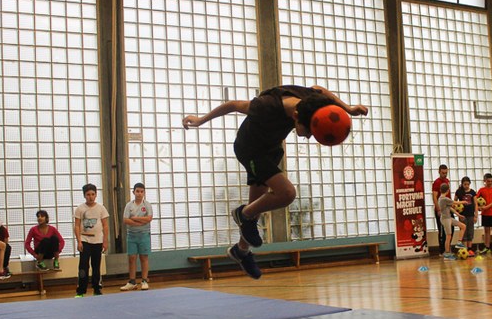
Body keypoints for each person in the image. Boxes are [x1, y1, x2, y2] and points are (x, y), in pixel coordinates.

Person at [183, 85, 367, 279]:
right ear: (296, 115)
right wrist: (200, 120)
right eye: (309, 131)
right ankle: (242, 213)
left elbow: (320, 89)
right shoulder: (266, 106)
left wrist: (348, 109)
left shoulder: (311, 100)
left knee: (256, 208)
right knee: (287, 193)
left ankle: (241, 251)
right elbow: (233, 105)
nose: (308, 136)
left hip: (271, 149)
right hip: (251, 149)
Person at [74, 183, 110, 297]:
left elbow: (105, 225)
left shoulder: (101, 208)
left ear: (96, 194)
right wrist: (79, 241)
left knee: (96, 265)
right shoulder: (80, 209)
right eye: (88, 194)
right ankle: (81, 290)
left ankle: (97, 288)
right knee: (83, 266)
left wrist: (105, 241)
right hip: (84, 240)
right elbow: (77, 226)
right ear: (84, 195)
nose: (91, 197)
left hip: (98, 241)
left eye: (93, 194)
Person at [121, 182, 153, 291]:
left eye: (141, 191)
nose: (139, 193)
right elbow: (126, 220)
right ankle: (132, 281)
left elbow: (149, 218)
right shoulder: (129, 205)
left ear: (144, 193)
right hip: (131, 235)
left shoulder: (147, 205)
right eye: (137, 191)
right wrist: (139, 222)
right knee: (132, 258)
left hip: (144, 235)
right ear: (133, 192)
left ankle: (144, 280)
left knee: (144, 257)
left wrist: (135, 219)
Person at [475, 173, 492, 254]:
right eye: (488, 181)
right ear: (484, 181)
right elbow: (475, 199)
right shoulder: (481, 190)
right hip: (485, 214)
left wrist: (486, 207)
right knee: (486, 230)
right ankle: (487, 247)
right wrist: (478, 207)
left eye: (491, 181)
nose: (489, 183)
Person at [437, 183, 465, 258]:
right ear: (448, 190)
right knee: (448, 236)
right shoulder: (444, 199)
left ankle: (459, 242)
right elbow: (455, 202)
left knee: (463, 226)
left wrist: (458, 215)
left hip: (448, 218)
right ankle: (447, 253)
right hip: (445, 219)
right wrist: (464, 202)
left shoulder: (442, 199)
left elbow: (450, 208)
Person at [454, 176, 478, 253]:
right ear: (462, 184)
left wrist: (476, 215)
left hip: (471, 214)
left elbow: (475, 204)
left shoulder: (472, 192)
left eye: (468, 184)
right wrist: (457, 212)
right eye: (465, 184)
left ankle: (470, 249)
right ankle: (463, 249)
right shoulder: (459, 192)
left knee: (470, 231)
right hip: (462, 215)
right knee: (463, 231)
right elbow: (454, 202)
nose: (466, 186)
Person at [431, 164, 450, 253]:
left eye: (446, 173)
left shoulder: (447, 181)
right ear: (439, 172)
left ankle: (447, 248)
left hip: (448, 209)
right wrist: (438, 209)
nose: (444, 174)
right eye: (443, 173)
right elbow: (434, 197)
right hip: (441, 210)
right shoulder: (436, 182)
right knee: (442, 230)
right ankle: (442, 251)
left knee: (450, 229)